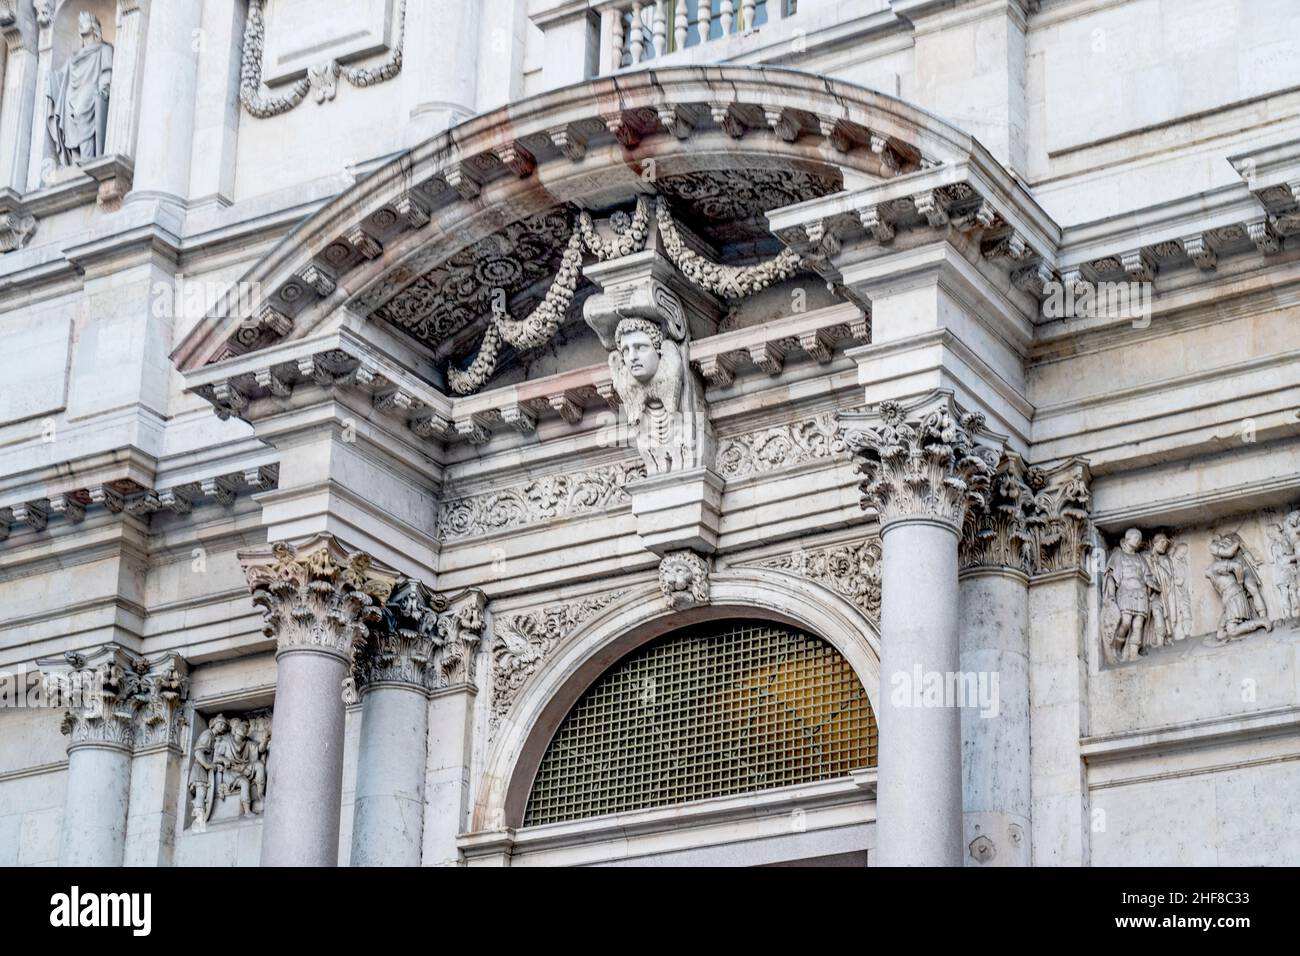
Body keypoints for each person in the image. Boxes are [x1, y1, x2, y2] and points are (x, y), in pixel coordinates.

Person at [46, 12, 114, 167]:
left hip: (91, 91)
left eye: (86, 20)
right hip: (73, 93)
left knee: (82, 114)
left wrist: (104, 88)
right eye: (80, 21)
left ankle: (87, 158)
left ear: (95, 27)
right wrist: (49, 79)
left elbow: (107, 71)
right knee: (70, 120)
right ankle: (75, 161)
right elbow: (62, 76)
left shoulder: (105, 49)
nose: (81, 23)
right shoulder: (74, 57)